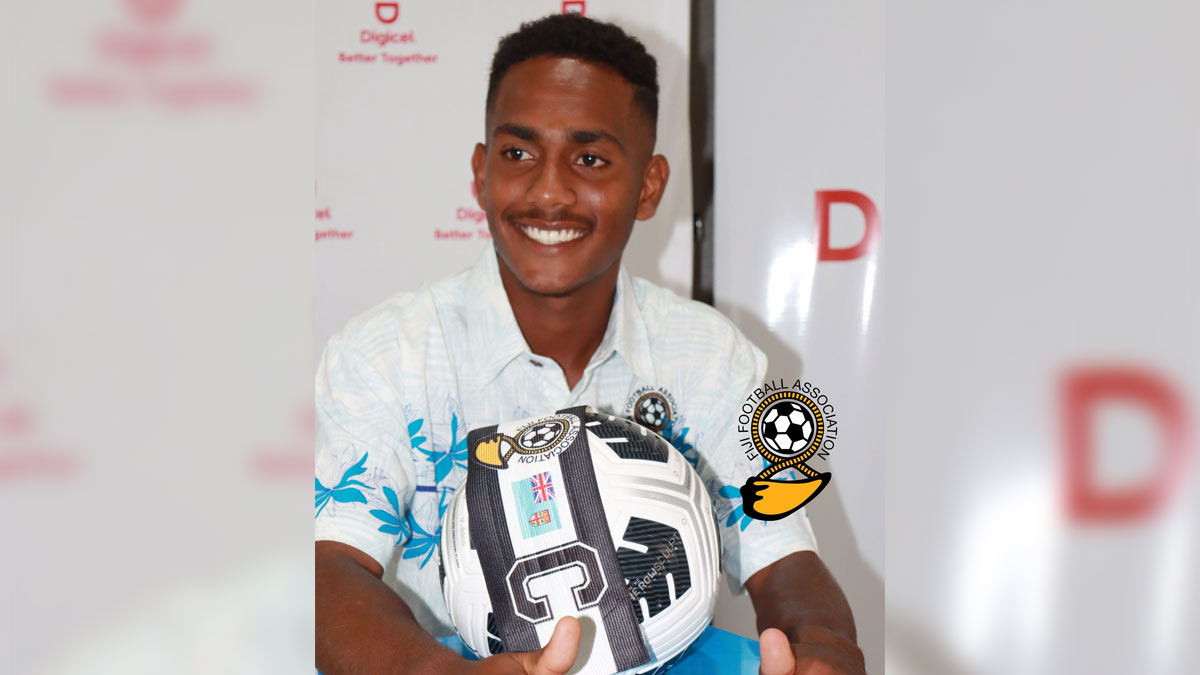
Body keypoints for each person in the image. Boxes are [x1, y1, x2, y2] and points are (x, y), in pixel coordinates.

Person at [315, 14, 865, 675]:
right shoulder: (383, 354)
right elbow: (329, 569)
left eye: (591, 159)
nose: (549, 191)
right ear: (480, 173)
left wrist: (823, 649)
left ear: (649, 186)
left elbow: (784, 560)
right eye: (518, 154)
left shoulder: (710, 356)